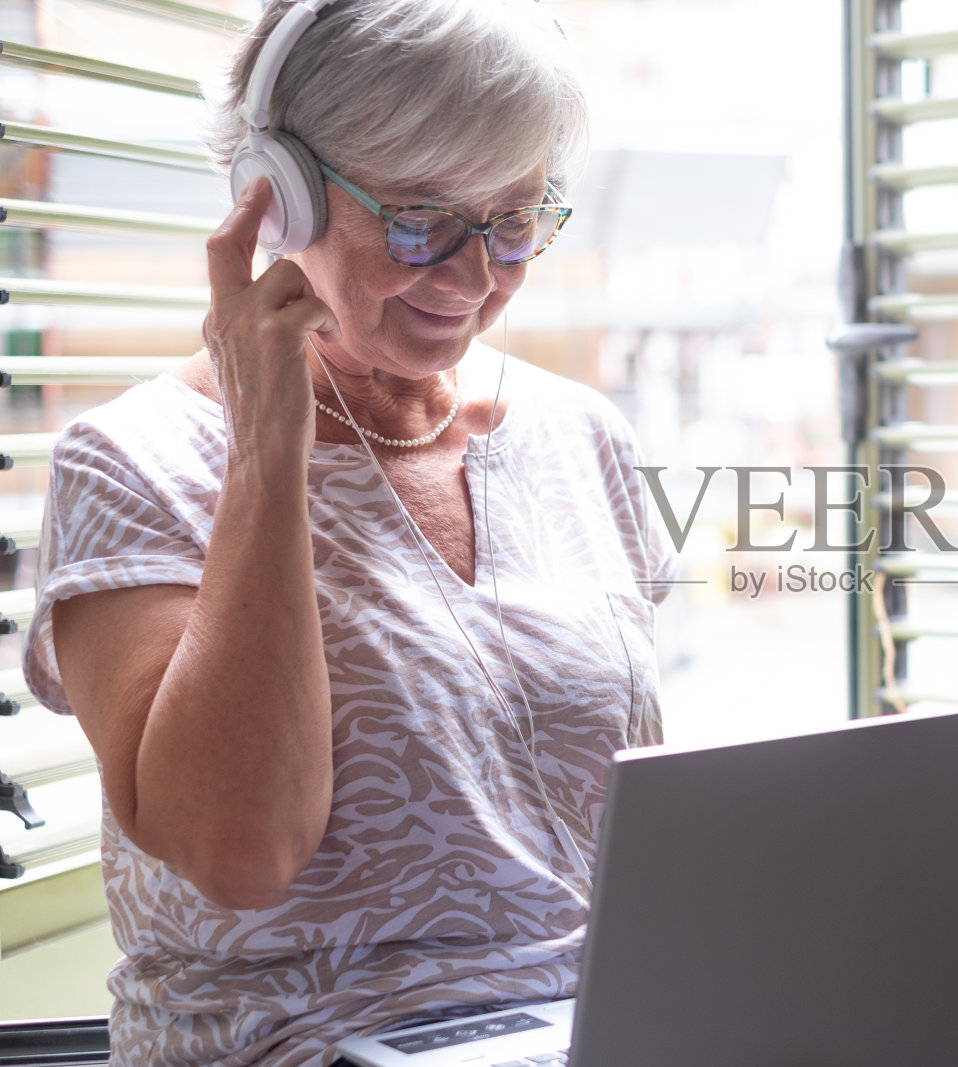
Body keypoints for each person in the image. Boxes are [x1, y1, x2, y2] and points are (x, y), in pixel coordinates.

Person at [21, 1, 674, 1063]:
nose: (470, 281)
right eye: (420, 221)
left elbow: (621, 824)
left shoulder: (581, 435)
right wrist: (267, 441)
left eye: (513, 221)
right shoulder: (131, 459)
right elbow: (241, 852)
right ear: (278, 201)